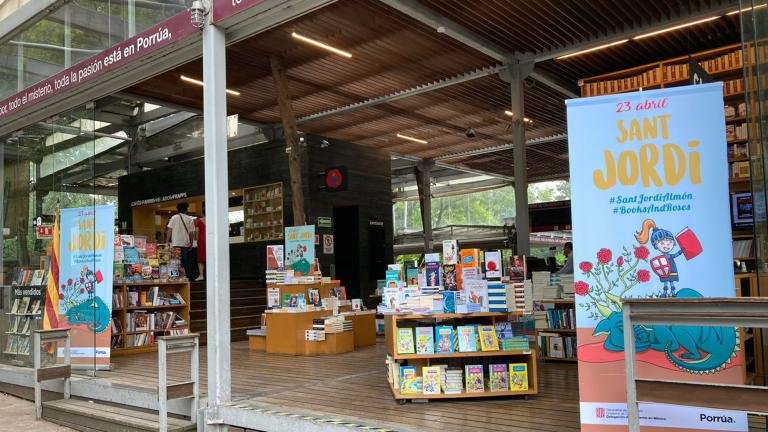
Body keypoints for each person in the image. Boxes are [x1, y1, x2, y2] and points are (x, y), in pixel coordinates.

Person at [166, 201, 195, 279]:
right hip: (185, 243)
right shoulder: (190, 219)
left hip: (175, 243)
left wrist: (166, 242)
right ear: (186, 209)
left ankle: (175, 277)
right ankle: (186, 277)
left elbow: (169, 230)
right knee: (185, 261)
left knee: (175, 261)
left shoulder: (174, 217)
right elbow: (191, 233)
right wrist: (191, 243)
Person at [194, 207, 206, 282]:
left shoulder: (199, 221)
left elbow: (196, 232)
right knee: (211, 257)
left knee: (200, 259)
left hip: (202, 240)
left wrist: (197, 239)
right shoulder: (213, 220)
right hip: (211, 239)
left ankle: (201, 275)